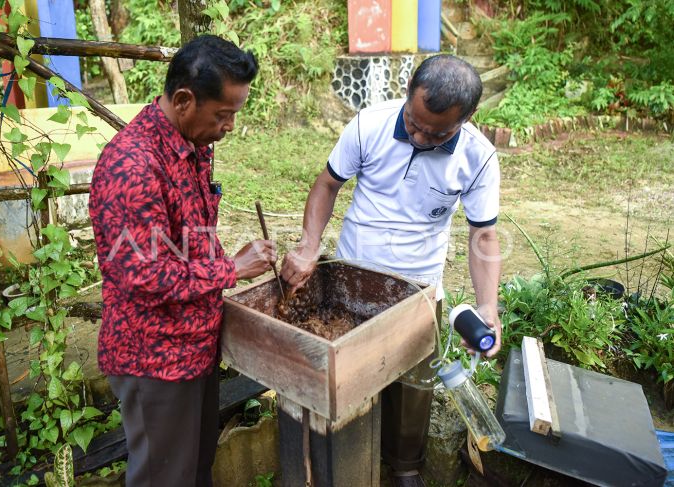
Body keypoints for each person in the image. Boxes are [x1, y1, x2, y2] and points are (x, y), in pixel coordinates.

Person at [280, 54, 502, 487]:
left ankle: (404, 468)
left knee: (413, 385)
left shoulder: (478, 157)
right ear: (407, 95)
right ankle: (344, 453)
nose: (419, 136)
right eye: (414, 123)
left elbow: (484, 237)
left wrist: (488, 306)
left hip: (417, 288)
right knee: (348, 375)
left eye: (435, 132)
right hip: (351, 275)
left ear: (467, 118)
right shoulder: (369, 124)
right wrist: (309, 247)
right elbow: (327, 184)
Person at [89, 35, 277, 487]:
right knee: (163, 477)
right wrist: (232, 268)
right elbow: (144, 274)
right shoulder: (132, 166)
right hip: (154, 358)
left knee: (194, 468)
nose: (229, 126)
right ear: (183, 99)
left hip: (194, 343)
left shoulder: (192, 145)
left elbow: (187, 238)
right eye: (224, 114)